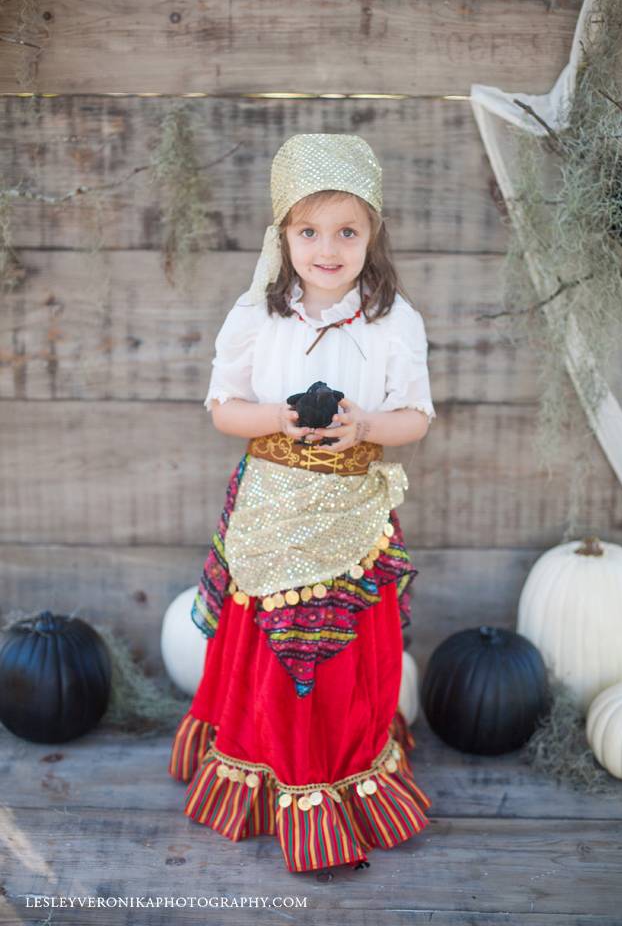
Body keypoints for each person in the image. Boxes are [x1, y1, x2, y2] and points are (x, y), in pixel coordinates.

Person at [168, 133, 437, 875]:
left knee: (346, 656)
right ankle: (266, 766)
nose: (328, 248)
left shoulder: (393, 322)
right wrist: (277, 419)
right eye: (309, 231)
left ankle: (344, 768)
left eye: (346, 230)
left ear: (371, 234)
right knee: (269, 653)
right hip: (273, 507)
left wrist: (366, 427)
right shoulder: (258, 315)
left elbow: (415, 417)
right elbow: (224, 407)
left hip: (351, 511)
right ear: (283, 234)